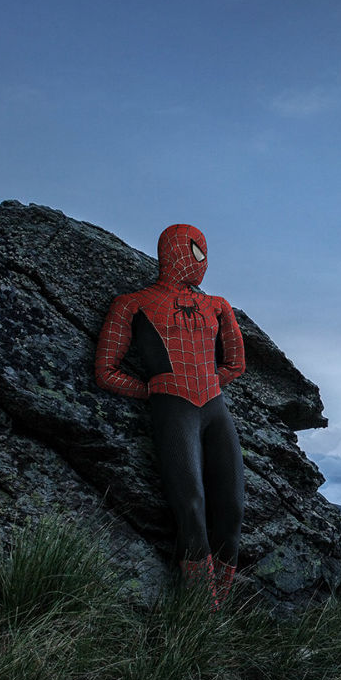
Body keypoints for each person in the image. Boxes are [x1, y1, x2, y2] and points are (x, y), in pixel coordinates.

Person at [93, 224, 246, 609]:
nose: (202, 263)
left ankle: (219, 607)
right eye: (196, 252)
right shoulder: (133, 304)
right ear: (174, 251)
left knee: (232, 508)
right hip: (175, 410)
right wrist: (154, 389)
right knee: (190, 508)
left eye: (203, 254)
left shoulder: (218, 306)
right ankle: (201, 613)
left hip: (211, 407)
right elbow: (105, 370)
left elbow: (237, 363)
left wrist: (202, 382)